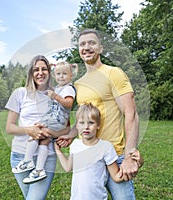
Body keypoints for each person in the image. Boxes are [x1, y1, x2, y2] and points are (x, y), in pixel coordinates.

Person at [56, 29, 143, 200]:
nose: (86, 47)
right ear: (79, 50)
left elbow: (131, 114)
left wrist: (129, 155)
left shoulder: (113, 73)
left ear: (101, 48)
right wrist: (71, 135)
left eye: (91, 43)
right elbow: (83, 120)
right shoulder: (79, 84)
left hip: (114, 156)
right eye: (82, 44)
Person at [5, 55, 70, 199]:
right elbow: (9, 127)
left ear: (49, 72)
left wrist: (48, 132)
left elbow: (66, 129)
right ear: (31, 73)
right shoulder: (20, 93)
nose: (40, 73)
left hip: (46, 158)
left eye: (44, 69)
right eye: (36, 70)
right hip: (20, 156)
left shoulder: (57, 95)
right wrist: (30, 130)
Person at [12, 61, 77, 184]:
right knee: (44, 140)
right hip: (53, 118)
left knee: (38, 131)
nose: (61, 76)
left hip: (59, 120)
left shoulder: (69, 88)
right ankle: (39, 170)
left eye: (64, 74)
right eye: (58, 74)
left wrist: (56, 97)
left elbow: (68, 104)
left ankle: (27, 160)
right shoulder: (58, 87)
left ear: (70, 76)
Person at [55, 103, 134, 200]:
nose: (86, 127)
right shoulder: (75, 145)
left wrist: (132, 168)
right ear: (77, 126)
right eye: (82, 123)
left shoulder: (106, 147)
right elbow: (68, 167)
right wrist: (57, 149)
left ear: (98, 125)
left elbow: (116, 176)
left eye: (91, 123)